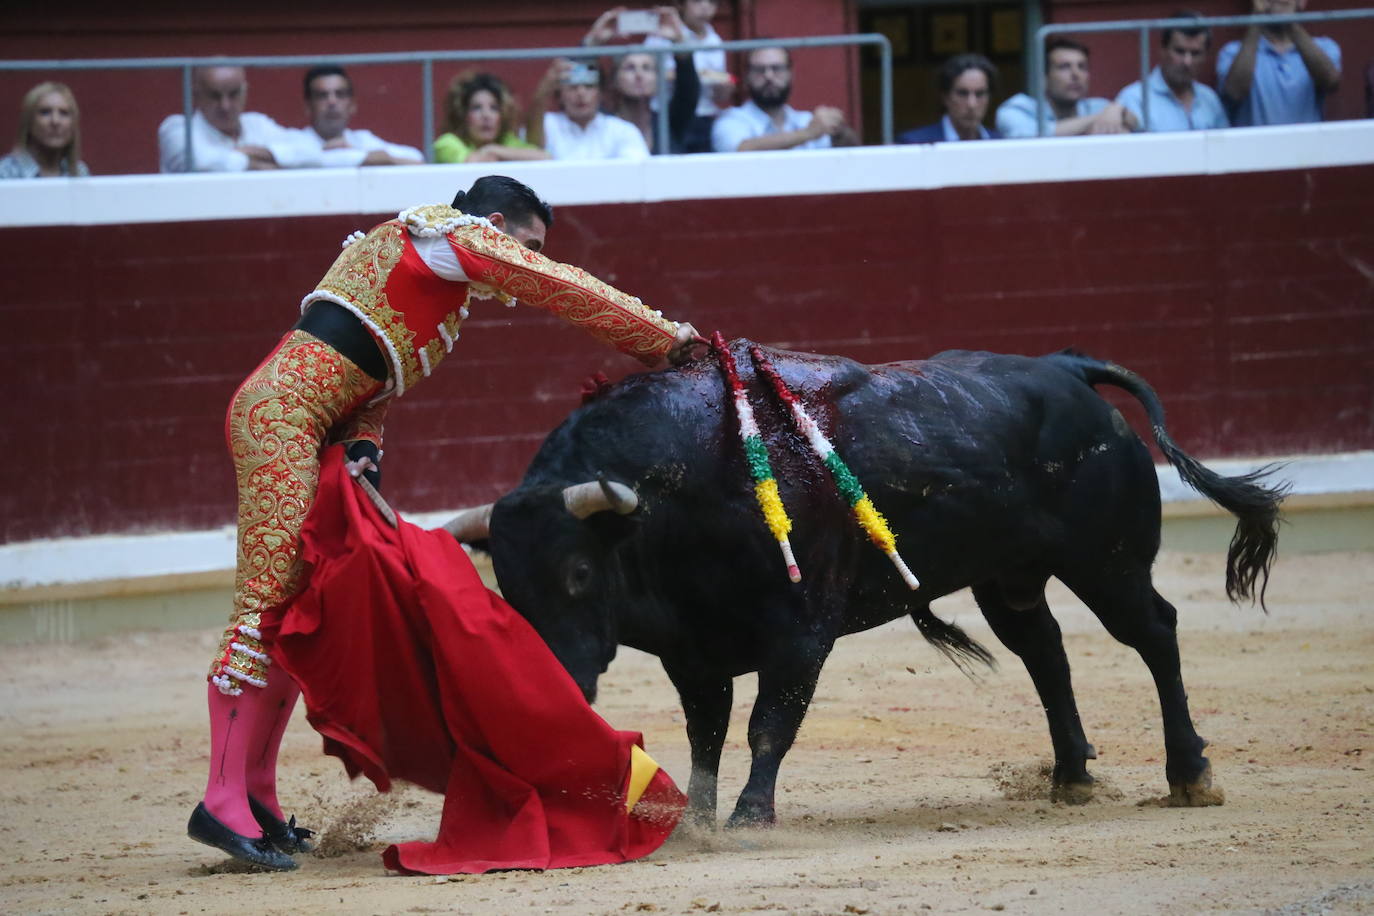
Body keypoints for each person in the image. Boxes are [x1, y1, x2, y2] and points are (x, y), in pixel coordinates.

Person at [188, 174, 699, 871]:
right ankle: (220, 803)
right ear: (494, 221)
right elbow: (557, 286)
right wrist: (660, 338)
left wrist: (365, 455)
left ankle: (256, 801)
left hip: (310, 428)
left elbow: (362, 378)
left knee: (292, 613)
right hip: (281, 420)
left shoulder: (417, 262)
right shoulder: (451, 235)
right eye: (528, 240)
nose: (530, 256)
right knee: (262, 609)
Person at [582, 7, 701, 154]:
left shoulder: (669, 122)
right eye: (630, 68)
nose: (639, 75)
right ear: (614, 80)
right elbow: (577, 84)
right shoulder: (601, 122)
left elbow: (689, 90)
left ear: (658, 80)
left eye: (647, 68)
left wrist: (679, 40)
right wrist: (593, 41)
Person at [158, 65, 312, 172]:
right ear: (196, 95)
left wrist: (252, 153)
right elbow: (200, 163)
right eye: (215, 96)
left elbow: (310, 150)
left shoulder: (257, 123)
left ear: (245, 93)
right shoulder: (178, 128)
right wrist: (263, 164)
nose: (225, 106)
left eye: (233, 94)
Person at [1217, 0, 1342, 126]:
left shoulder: (1324, 46)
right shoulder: (1232, 51)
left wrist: (1290, 23)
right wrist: (1257, 18)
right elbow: (1234, 93)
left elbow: (1330, 82)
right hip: (1256, 145)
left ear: (1301, 2)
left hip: (1307, 144)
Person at [711, 46, 858, 152]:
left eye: (777, 68)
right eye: (759, 70)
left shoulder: (806, 121)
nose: (769, 76)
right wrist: (808, 134)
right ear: (747, 77)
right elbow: (742, 149)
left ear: (790, 74)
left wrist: (840, 132)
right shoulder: (730, 121)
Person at [285, 65, 424, 167]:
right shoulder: (294, 140)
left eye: (340, 94)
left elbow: (417, 160)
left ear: (352, 105)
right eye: (322, 96)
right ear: (308, 106)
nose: (332, 102)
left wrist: (357, 154)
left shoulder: (361, 141)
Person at [996, 38, 1138, 137]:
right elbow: (1032, 136)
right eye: (1064, 67)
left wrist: (1120, 110)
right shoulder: (1019, 109)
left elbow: (1138, 125)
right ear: (1044, 77)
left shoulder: (1099, 106)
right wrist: (1098, 118)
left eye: (1081, 67)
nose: (1076, 74)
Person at [643, 0, 733, 152]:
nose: (705, 7)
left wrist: (724, 86)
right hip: (666, 115)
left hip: (704, 115)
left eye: (712, 2)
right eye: (697, 1)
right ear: (682, 4)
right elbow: (645, 72)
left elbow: (720, 94)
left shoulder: (715, 40)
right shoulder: (662, 34)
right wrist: (687, 75)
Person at [1116, 13, 1230, 131]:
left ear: (1205, 56)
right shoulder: (1136, 98)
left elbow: (1225, 145)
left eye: (1195, 53)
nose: (1187, 62)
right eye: (1180, 51)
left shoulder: (1209, 99)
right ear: (1163, 50)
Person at [529, 60, 651, 160]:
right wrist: (543, 91)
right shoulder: (547, 124)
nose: (581, 93)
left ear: (601, 93)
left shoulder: (622, 130)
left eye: (589, 87)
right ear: (560, 95)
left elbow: (637, 170)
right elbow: (531, 151)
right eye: (573, 87)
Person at [433, 72, 549, 164]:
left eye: (494, 108)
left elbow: (545, 157)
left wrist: (492, 150)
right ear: (463, 115)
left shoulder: (506, 141)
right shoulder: (446, 143)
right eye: (476, 108)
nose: (486, 115)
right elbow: (472, 164)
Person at [898, 54, 1003, 143]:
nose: (972, 104)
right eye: (962, 94)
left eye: (980, 94)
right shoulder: (915, 144)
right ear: (945, 97)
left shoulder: (1001, 144)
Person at [0, 82, 89, 178]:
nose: (55, 121)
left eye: (64, 113)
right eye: (45, 112)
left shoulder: (80, 172)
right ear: (29, 122)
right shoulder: (6, 173)